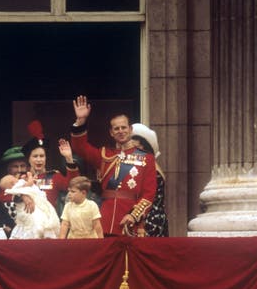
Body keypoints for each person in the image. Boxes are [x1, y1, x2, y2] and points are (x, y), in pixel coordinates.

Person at [70, 95, 157, 236]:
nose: (120, 131)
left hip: (129, 221)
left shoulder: (147, 158)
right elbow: (80, 148)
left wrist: (134, 215)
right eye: (116, 129)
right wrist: (81, 121)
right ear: (111, 132)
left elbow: (149, 194)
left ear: (130, 129)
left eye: (124, 127)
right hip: (105, 218)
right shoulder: (104, 155)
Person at [21, 120, 80, 208]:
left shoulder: (54, 177)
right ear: (28, 159)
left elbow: (74, 184)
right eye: (35, 156)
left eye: (42, 156)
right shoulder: (22, 178)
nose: (39, 160)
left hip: (49, 220)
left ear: (46, 158)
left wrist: (68, 158)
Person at [130, 123, 169, 237]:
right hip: (155, 219)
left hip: (147, 221)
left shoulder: (148, 167)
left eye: (135, 148)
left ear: (144, 147)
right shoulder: (153, 165)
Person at [0, 172, 61, 239]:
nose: (17, 178)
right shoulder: (17, 186)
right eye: (14, 178)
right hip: (29, 210)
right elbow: (30, 184)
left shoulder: (15, 188)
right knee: (38, 222)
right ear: (12, 183)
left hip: (33, 206)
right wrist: (30, 176)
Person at [0, 146, 29, 236]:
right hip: (8, 237)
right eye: (15, 166)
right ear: (8, 168)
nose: (20, 170)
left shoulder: (31, 187)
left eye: (22, 166)